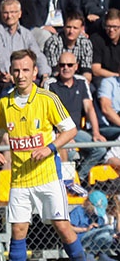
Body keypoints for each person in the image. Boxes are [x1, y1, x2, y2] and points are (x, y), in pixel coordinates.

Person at [0, 49, 99, 261]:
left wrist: (49, 148)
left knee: (63, 226)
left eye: (26, 70)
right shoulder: (5, 102)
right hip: (19, 179)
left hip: (48, 177)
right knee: (18, 230)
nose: (21, 75)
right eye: (16, 70)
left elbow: (69, 130)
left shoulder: (47, 99)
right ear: (11, 72)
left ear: (35, 72)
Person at [43, 51, 106, 185]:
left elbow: (89, 108)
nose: (66, 68)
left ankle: (80, 178)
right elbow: (46, 113)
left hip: (77, 131)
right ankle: (67, 184)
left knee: (100, 149)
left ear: (76, 66)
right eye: (62, 65)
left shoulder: (82, 82)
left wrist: (96, 132)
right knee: (68, 153)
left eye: (70, 65)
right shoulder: (50, 84)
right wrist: (63, 134)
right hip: (57, 132)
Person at [0, 0, 51, 84]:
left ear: (20, 13)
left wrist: (44, 74)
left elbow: (37, 54)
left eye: (13, 12)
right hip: (7, 79)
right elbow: (0, 56)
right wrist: (13, 75)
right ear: (1, 14)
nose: (9, 16)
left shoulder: (26, 33)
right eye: (5, 12)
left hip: (26, 77)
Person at [42, 10, 93, 81]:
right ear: (64, 27)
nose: (71, 31)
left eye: (75, 28)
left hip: (78, 79)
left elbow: (86, 71)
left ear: (81, 29)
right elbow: (53, 70)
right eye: (68, 27)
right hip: (57, 79)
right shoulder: (53, 42)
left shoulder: (86, 43)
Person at [70, 190, 118, 261]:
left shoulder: (95, 215)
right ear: (89, 203)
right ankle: (88, 254)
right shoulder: (78, 211)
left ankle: (102, 255)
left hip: (94, 237)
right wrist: (85, 229)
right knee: (105, 233)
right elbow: (69, 228)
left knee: (108, 232)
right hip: (81, 238)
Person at [92, 8, 120, 80]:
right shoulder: (97, 40)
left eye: (115, 27)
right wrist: (117, 76)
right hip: (104, 78)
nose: (111, 30)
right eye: (108, 26)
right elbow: (96, 70)